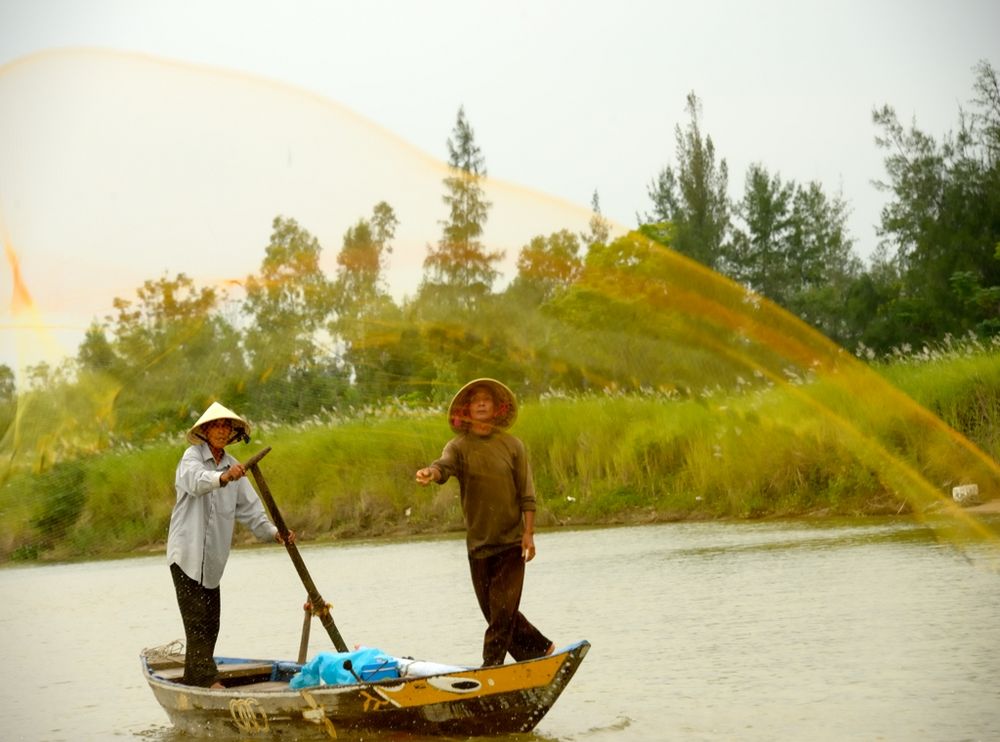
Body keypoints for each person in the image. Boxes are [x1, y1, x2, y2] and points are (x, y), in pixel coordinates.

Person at [415, 378, 554, 667]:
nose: (480, 403)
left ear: (496, 407)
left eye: (486, 400)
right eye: (475, 399)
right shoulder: (459, 447)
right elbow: (443, 466)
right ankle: (540, 649)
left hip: (511, 543)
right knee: (496, 614)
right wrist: (431, 472)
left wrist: (528, 534)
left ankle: (491, 668)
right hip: (478, 545)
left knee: (501, 613)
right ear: (466, 409)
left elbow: (527, 494)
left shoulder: (513, 446)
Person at [167, 402, 293, 688]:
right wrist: (222, 478)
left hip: (211, 563)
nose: (222, 430)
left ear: (232, 433)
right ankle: (210, 683)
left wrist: (276, 533)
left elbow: (252, 511)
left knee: (211, 626)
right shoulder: (192, 459)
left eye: (226, 426)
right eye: (217, 425)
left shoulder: (234, 467)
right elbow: (198, 482)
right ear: (206, 431)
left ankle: (193, 683)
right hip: (185, 556)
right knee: (197, 624)